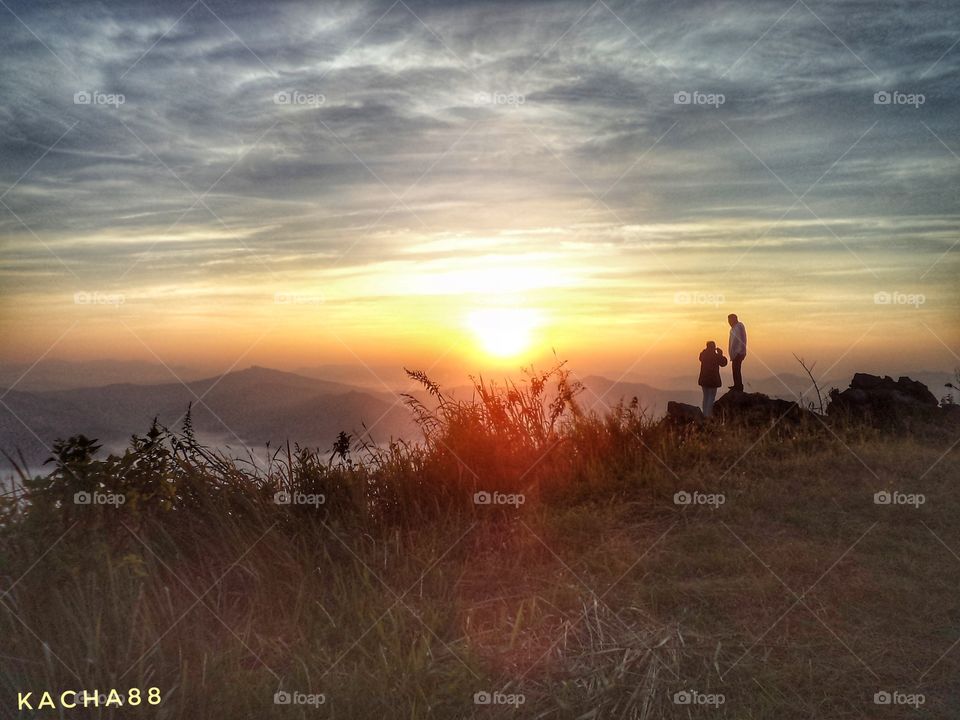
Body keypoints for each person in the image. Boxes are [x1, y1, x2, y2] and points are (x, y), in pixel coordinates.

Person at [698, 341, 727, 417]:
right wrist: (720, 354)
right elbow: (724, 363)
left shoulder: (703, 355)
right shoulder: (716, 356)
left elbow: (701, 357)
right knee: (711, 397)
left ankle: (704, 414)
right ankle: (708, 415)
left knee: (706, 397)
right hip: (713, 380)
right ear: (714, 347)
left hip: (704, 380)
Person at [727, 313, 747, 392]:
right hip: (737, 353)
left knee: (736, 369)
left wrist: (738, 352)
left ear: (734, 319)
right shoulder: (735, 328)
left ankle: (738, 386)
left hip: (738, 353)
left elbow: (739, 340)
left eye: (730, 320)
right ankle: (737, 385)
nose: (729, 322)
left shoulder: (737, 327)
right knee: (736, 370)